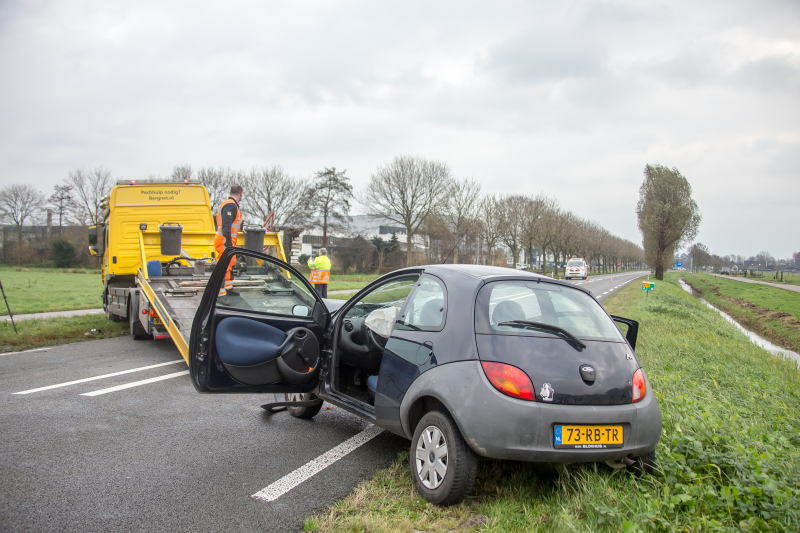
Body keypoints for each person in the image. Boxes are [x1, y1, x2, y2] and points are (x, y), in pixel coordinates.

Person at [215, 185, 243, 306]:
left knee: (229, 264)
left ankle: (228, 287)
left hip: (227, 240)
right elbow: (226, 225)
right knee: (223, 266)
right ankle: (220, 294)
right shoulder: (231, 205)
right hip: (225, 240)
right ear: (240, 194)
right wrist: (228, 242)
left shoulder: (229, 204)